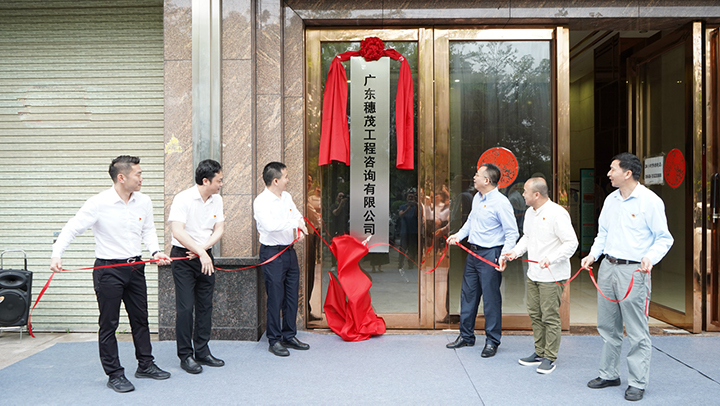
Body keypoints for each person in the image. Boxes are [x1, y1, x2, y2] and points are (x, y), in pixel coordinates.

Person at [50, 155, 172, 393]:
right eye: (138, 174)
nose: (142, 178)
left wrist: (155, 251)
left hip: (136, 267)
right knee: (109, 323)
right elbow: (72, 228)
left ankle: (146, 364)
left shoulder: (144, 201)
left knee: (140, 319)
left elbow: (148, 229)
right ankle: (115, 374)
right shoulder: (98, 203)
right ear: (121, 177)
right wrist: (57, 254)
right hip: (108, 271)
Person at [581, 153, 673, 402]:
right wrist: (593, 255)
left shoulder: (649, 201)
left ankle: (637, 382)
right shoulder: (611, 199)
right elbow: (603, 233)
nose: (609, 174)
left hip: (634, 271)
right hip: (608, 267)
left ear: (628, 173)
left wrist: (650, 257)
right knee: (607, 325)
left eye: (613, 169)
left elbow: (664, 238)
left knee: (636, 329)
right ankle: (609, 374)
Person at [504, 177, 578, 374]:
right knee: (535, 314)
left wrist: (551, 259)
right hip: (533, 273)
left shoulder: (557, 213)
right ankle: (539, 352)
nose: (522, 195)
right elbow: (527, 237)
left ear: (536, 194)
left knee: (549, 316)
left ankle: (550, 357)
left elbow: (571, 243)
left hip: (552, 275)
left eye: (525, 191)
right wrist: (515, 252)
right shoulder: (530, 212)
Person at [446, 163, 519, 357]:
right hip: (473, 253)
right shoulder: (477, 198)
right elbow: (470, 222)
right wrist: (458, 236)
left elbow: (512, 233)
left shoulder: (501, 203)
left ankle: (492, 341)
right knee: (468, 295)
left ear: (486, 180)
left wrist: (504, 256)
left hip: (491, 254)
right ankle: (466, 336)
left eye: (477, 175)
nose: (474, 177)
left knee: (490, 299)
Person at [168, 159, 225, 374]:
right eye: (218, 180)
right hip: (184, 257)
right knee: (185, 308)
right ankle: (185, 355)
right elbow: (177, 231)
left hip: (204, 255)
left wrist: (203, 249)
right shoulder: (183, 198)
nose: (221, 184)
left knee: (205, 305)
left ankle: (202, 350)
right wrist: (199, 252)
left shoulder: (217, 200)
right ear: (205, 181)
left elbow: (219, 228)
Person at [253, 162, 310, 357]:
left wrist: (300, 227)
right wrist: (294, 223)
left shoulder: (287, 197)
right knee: (275, 297)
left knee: (292, 295)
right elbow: (270, 226)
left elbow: (298, 216)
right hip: (272, 253)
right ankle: (274, 339)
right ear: (275, 180)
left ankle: (289, 335)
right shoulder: (261, 202)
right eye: (285, 176)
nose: (288, 180)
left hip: (289, 252)